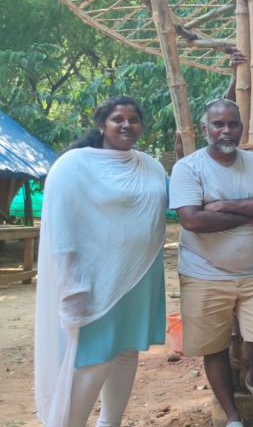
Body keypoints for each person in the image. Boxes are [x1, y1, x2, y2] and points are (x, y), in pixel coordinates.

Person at [35, 96, 167, 427]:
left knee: (126, 353)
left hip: (140, 277)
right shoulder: (74, 166)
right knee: (92, 360)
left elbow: (179, 201)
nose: (126, 125)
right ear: (101, 124)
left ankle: (110, 423)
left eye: (134, 119)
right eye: (117, 119)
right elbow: (62, 228)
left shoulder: (149, 165)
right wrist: (70, 284)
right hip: (94, 282)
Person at [170, 99, 253, 426]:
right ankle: (232, 416)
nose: (226, 130)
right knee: (214, 346)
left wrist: (222, 207)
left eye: (233, 124)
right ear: (205, 129)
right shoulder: (188, 167)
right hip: (202, 272)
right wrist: (248, 216)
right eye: (218, 124)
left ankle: (252, 377)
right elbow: (192, 220)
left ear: (241, 128)